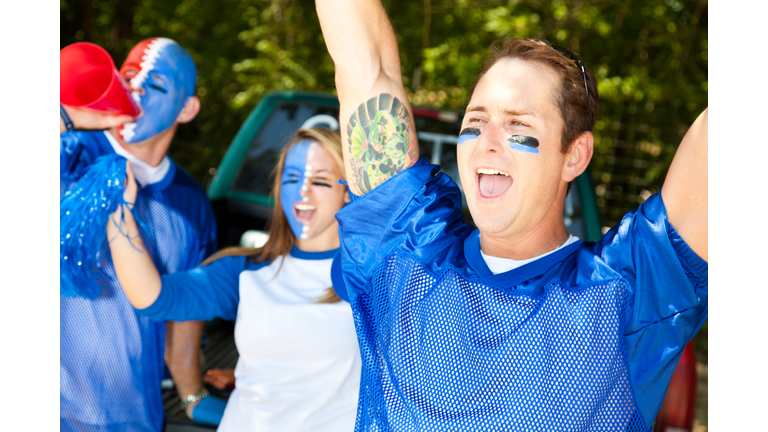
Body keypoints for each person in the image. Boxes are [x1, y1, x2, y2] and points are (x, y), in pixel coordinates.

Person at [315, 1, 708, 431]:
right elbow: (366, 67)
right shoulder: (404, 250)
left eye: (517, 126)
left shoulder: (628, 295)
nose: (487, 142)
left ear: (575, 155)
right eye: (476, 121)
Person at [107, 127, 362, 432]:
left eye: (320, 180)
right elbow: (154, 298)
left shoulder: (373, 276)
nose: (302, 192)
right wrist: (119, 214)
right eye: (291, 179)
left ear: (348, 191)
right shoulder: (244, 268)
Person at [60, 38, 218, 431]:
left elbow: (185, 313)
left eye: (157, 84)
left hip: (133, 418)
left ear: (187, 109)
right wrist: (65, 116)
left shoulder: (192, 202)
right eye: (128, 76)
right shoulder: (70, 150)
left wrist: (194, 399)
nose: (136, 89)